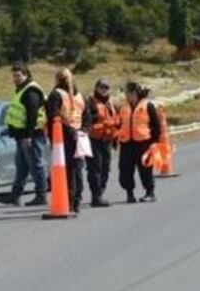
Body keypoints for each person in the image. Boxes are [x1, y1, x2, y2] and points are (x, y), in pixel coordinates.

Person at [3, 63, 47, 207]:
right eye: (14, 76)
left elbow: (32, 115)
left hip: (32, 135)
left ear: (26, 75)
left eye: (18, 76)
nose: (15, 78)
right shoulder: (22, 90)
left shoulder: (31, 91)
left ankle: (41, 195)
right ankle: (15, 195)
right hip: (21, 135)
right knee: (21, 166)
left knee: (35, 165)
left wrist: (29, 135)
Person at [46, 68, 89, 213]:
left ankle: (70, 199)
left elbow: (53, 116)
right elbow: (87, 115)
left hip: (64, 137)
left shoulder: (56, 95)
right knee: (77, 168)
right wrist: (84, 130)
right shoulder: (80, 96)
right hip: (79, 135)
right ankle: (76, 199)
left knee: (67, 170)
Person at [117, 81, 160, 204]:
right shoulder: (123, 107)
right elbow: (118, 123)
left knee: (145, 169)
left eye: (128, 92)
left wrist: (154, 142)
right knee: (125, 169)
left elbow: (156, 126)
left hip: (143, 143)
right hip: (126, 143)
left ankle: (150, 192)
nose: (126, 95)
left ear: (134, 93)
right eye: (125, 93)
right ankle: (129, 193)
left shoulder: (148, 105)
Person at [85, 78, 116, 208]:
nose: (104, 90)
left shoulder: (110, 103)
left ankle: (100, 191)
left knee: (106, 168)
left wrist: (115, 138)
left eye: (106, 87)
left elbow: (115, 120)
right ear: (96, 88)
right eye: (101, 87)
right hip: (94, 139)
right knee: (95, 168)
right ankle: (96, 196)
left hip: (107, 140)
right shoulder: (91, 102)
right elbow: (87, 119)